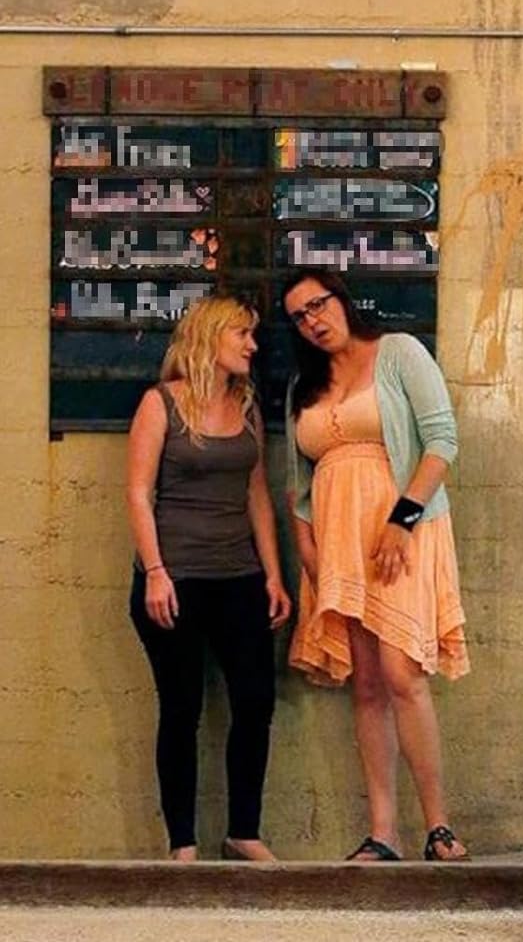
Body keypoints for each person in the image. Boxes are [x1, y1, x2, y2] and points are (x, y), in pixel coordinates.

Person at [282, 270, 470, 863]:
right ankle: (383, 831)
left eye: (319, 304)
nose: (313, 320)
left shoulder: (399, 353)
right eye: (299, 316)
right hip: (337, 542)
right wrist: (307, 550)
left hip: (401, 533)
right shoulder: (303, 387)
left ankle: (438, 826)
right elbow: (297, 483)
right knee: (364, 683)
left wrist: (402, 520)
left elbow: (441, 441)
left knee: (401, 672)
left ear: (341, 300)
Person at [124, 293, 291, 862]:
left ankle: (243, 831)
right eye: (242, 334)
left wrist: (273, 575)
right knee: (181, 708)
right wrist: (155, 572)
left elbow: (256, 493)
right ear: (209, 338)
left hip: (238, 576)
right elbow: (139, 493)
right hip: (175, 579)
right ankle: (183, 844)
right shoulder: (160, 403)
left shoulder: (246, 404)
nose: (253, 345)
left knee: (255, 701)